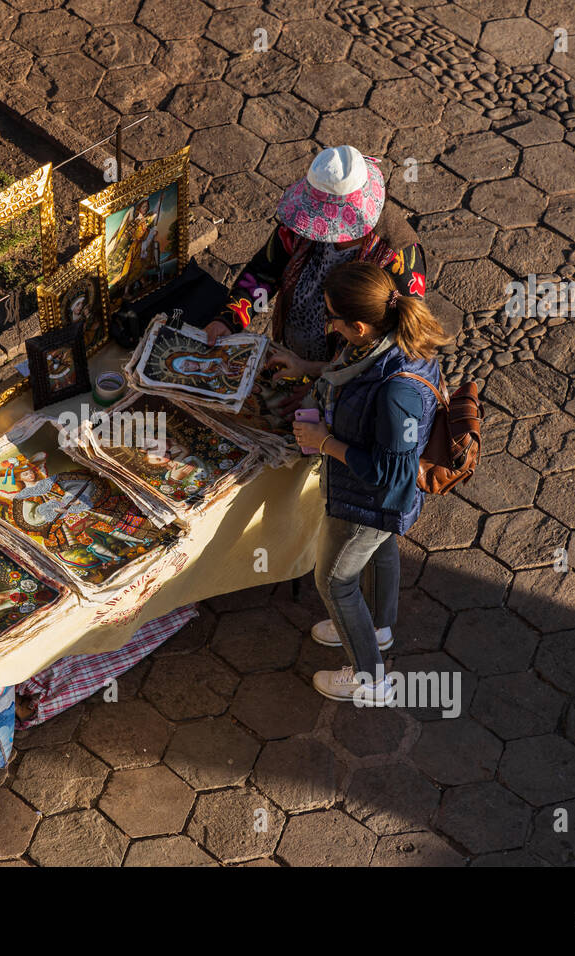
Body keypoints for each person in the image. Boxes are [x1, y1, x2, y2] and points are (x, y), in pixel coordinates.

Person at [271, 262, 450, 706]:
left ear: (358, 324)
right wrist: (304, 366)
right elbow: (345, 376)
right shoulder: (390, 343)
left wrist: (324, 441)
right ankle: (378, 629)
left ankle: (370, 679)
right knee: (382, 550)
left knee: (334, 581)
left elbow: (391, 475)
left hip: (369, 501)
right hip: (381, 510)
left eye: (332, 317)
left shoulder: (396, 394)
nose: (327, 323)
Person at [205, 144, 427, 416]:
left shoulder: (398, 254)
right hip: (293, 355)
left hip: (348, 381)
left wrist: (321, 386)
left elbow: (391, 351)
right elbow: (265, 272)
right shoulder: (300, 228)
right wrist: (229, 319)